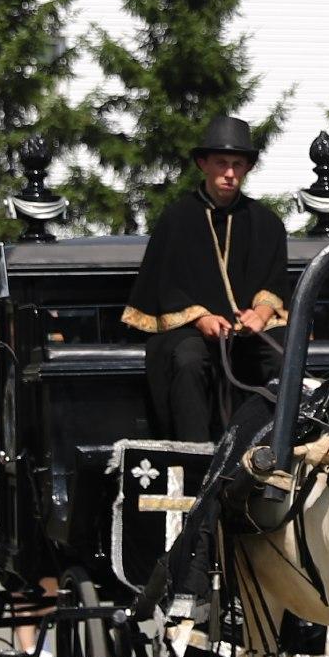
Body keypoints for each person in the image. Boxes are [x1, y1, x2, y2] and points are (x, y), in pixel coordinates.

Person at [124, 114, 291, 442]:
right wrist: (200, 317)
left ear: (247, 168)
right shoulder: (176, 220)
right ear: (203, 163)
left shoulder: (266, 222)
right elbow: (164, 286)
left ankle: (276, 455)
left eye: (237, 164)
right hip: (188, 330)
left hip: (246, 333)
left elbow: (273, 282)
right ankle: (193, 460)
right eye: (221, 163)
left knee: (279, 355)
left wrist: (261, 313)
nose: (229, 173)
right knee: (188, 359)